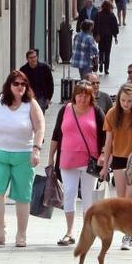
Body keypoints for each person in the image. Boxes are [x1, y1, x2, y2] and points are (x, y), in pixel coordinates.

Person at [0, 70, 46, 248]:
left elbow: (40, 128)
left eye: (23, 84)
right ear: (9, 85)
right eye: (16, 84)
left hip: (23, 156)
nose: (20, 87)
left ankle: (21, 235)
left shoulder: (31, 104)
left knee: (23, 196)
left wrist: (36, 150)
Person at [49, 81, 106, 247]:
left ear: (91, 96)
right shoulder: (65, 109)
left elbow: (106, 135)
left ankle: (87, 232)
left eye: (86, 95)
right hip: (67, 160)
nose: (82, 98)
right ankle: (69, 231)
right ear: (74, 95)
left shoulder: (96, 112)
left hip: (90, 162)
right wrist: (50, 158)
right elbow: (56, 135)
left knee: (88, 197)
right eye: (79, 94)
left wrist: (103, 154)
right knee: (70, 193)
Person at [99, 83, 132, 251]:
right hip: (118, 157)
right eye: (123, 100)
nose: (126, 104)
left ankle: (130, 235)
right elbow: (108, 140)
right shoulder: (112, 114)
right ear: (118, 99)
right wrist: (105, 166)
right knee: (121, 198)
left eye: (129, 101)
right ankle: (127, 230)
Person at [93, 1, 119, 75]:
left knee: (101, 50)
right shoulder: (112, 15)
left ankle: (101, 61)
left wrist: (95, 34)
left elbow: (96, 25)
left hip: (100, 35)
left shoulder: (98, 14)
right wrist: (115, 35)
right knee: (107, 52)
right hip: (108, 36)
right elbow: (115, 26)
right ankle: (106, 68)